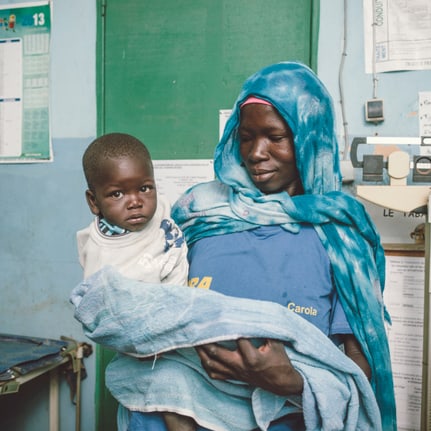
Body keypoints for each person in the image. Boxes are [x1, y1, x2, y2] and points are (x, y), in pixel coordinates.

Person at [71, 63, 396, 431]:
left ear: (309, 138)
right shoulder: (200, 214)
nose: (256, 152)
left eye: (276, 137)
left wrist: (290, 381)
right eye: (246, 136)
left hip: (284, 415)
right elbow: (148, 301)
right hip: (179, 403)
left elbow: (358, 367)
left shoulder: (342, 238)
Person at [77, 132, 196, 431]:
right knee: (172, 403)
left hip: (186, 325)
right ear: (94, 202)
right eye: (117, 194)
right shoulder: (103, 255)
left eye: (145, 188)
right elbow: (107, 313)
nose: (135, 202)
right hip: (150, 346)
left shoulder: (160, 211)